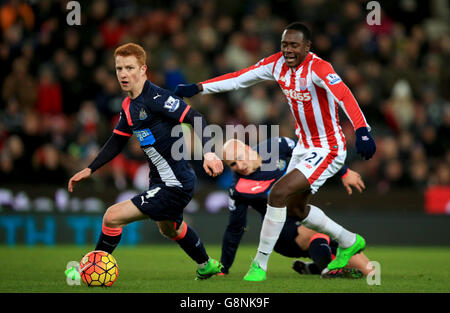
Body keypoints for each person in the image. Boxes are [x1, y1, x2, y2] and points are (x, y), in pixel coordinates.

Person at [174, 22, 376, 281]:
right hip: (304, 145)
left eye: (294, 45)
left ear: (307, 46)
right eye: (284, 44)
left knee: (277, 193)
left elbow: (344, 96)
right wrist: (200, 87)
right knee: (295, 210)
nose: (288, 50)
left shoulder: (320, 68)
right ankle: (349, 240)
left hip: (328, 147)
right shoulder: (276, 63)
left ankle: (260, 264)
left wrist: (362, 130)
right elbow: (238, 78)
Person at [66, 43, 224, 281]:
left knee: (111, 216)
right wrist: (90, 168)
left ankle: (89, 270)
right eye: (119, 68)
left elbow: (195, 117)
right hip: (162, 181)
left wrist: (209, 152)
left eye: (129, 67)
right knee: (169, 228)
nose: (123, 74)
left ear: (143, 70)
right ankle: (206, 265)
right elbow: (117, 141)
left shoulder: (158, 98)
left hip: (174, 183)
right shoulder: (129, 106)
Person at [220, 137, 372, 278]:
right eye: (233, 164)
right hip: (282, 233)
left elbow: (312, 154)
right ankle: (329, 270)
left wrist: (344, 172)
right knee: (315, 231)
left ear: (248, 149)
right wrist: (224, 267)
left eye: (239, 158)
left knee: (369, 270)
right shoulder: (238, 188)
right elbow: (235, 228)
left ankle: (314, 267)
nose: (239, 166)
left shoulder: (276, 146)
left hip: (302, 215)